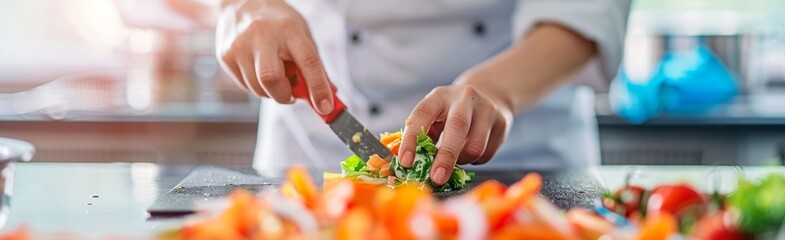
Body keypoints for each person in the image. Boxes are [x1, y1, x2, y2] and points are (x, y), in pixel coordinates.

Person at [191, 0, 629, 184]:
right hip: (310, 163)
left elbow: (584, 12)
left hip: (522, 164)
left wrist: (496, 91)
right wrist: (239, 6)